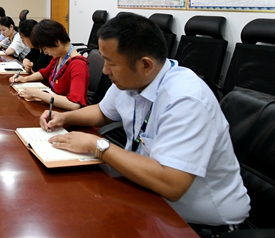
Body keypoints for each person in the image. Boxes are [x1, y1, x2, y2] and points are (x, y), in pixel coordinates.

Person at [40, 13, 250, 231]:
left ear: (145, 65)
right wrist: (64, 117)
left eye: (111, 63)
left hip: (195, 223)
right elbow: (102, 112)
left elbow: (171, 183)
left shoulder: (185, 99)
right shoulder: (132, 80)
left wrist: (96, 145)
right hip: (147, 196)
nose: (104, 70)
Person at [9, 19, 88, 109]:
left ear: (57, 42)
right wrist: (25, 79)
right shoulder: (59, 57)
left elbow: (74, 104)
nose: (45, 53)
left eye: (45, 48)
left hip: (64, 113)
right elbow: (44, 73)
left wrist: (37, 94)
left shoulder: (78, 65)